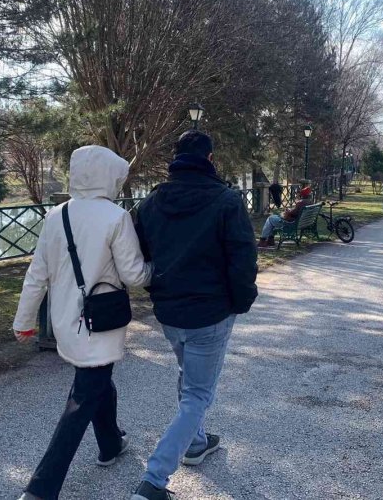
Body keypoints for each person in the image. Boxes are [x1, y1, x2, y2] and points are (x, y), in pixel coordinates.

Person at [13, 146, 150, 500]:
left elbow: (37, 273)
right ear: (108, 175)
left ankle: (110, 444)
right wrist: (156, 270)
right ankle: (41, 489)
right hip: (99, 320)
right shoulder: (116, 217)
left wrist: (24, 320)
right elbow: (133, 275)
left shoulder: (56, 215)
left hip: (66, 319)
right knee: (83, 397)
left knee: (97, 379)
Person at [132, 130, 258, 500]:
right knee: (198, 394)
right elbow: (242, 257)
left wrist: (157, 291)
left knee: (188, 375)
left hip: (170, 311)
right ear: (210, 159)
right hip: (210, 312)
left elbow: (141, 256)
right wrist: (241, 301)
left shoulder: (150, 203)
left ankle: (197, 441)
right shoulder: (226, 200)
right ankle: (153, 481)